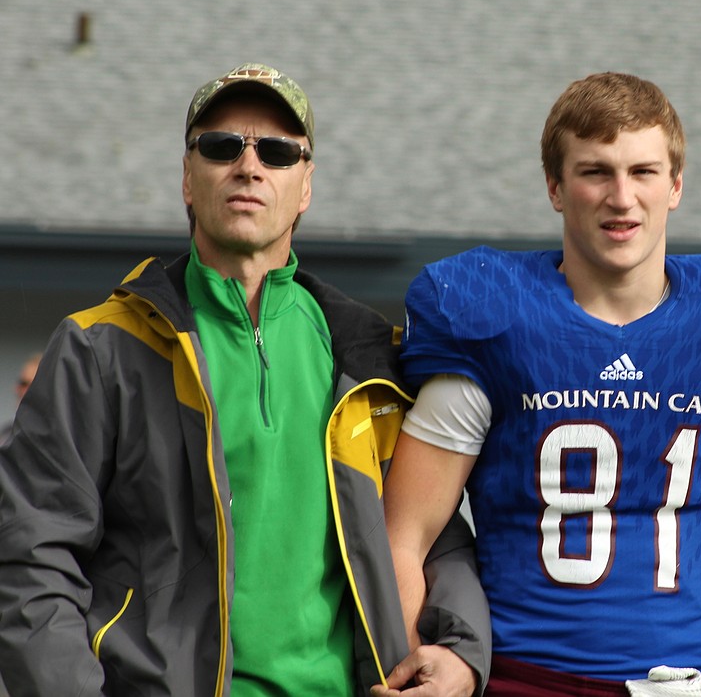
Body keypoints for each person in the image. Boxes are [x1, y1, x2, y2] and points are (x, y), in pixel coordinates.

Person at [0, 64, 489, 696]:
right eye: (222, 146)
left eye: (279, 152)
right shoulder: (100, 349)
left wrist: (462, 652)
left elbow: (437, 530)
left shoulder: (369, 360)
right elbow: (29, 559)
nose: (249, 166)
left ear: (306, 186)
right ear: (186, 175)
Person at [379, 72, 701, 697]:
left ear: (675, 186)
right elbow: (403, 536)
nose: (621, 197)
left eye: (642, 172)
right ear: (557, 189)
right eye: (595, 172)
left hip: (683, 683)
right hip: (524, 679)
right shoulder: (495, 318)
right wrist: (405, 669)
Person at [0, 352, 40, 445]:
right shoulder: (5, 435)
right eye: (22, 383)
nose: (23, 391)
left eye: (32, 385)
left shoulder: (53, 441)